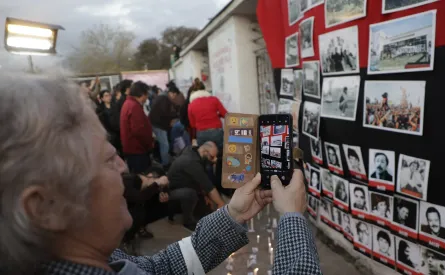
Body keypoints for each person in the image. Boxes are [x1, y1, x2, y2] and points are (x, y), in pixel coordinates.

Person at [0, 74, 322, 274]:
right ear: (45, 207)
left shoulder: (97, 259)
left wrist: (232, 215)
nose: (124, 167)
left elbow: (159, 269)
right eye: (108, 159)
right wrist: (292, 218)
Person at [166, 142, 226, 231]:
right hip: (172, 191)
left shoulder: (193, 152)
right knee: (190, 194)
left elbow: (200, 180)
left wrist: (205, 195)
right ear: (205, 152)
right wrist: (221, 204)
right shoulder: (191, 161)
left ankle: (189, 210)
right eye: (212, 157)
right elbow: (208, 186)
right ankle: (188, 222)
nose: (214, 160)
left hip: (185, 185)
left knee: (206, 210)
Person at [120, 81, 153, 174]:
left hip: (132, 149)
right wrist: (149, 144)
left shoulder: (128, 103)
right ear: (142, 94)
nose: (146, 98)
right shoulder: (134, 106)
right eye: (146, 95)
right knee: (143, 177)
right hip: (137, 150)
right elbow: (139, 131)